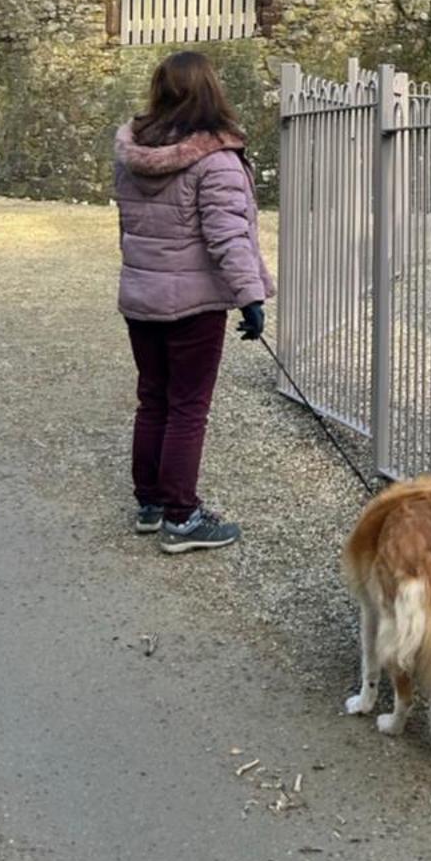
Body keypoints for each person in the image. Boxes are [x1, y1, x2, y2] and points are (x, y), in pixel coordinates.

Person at [113, 51, 273, 553]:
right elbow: (228, 237)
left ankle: (151, 502)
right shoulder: (216, 159)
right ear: (210, 91)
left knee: (153, 398)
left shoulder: (131, 152)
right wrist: (250, 298)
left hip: (142, 298)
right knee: (187, 408)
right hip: (194, 306)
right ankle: (182, 517)